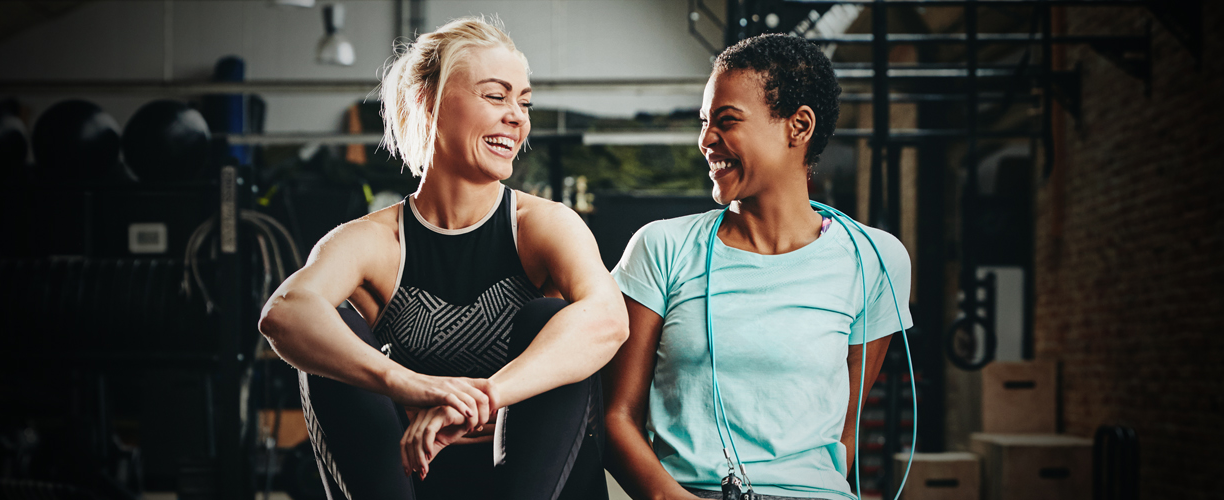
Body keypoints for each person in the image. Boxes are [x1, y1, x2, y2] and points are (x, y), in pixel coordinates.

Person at [258, 16, 627, 500]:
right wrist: (411, 385)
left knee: (551, 317)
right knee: (330, 325)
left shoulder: (542, 225)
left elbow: (608, 319)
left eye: (524, 101)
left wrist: (476, 399)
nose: (517, 116)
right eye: (496, 96)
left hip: (537, 483)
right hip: (417, 479)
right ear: (426, 103)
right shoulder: (373, 241)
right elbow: (283, 314)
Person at [604, 33, 913, 500]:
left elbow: (841, 434)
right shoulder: (662, 247)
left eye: (726, 121)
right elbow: (615, 418)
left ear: (798, 126)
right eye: (705, 122)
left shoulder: (874, 260)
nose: (707, 140)